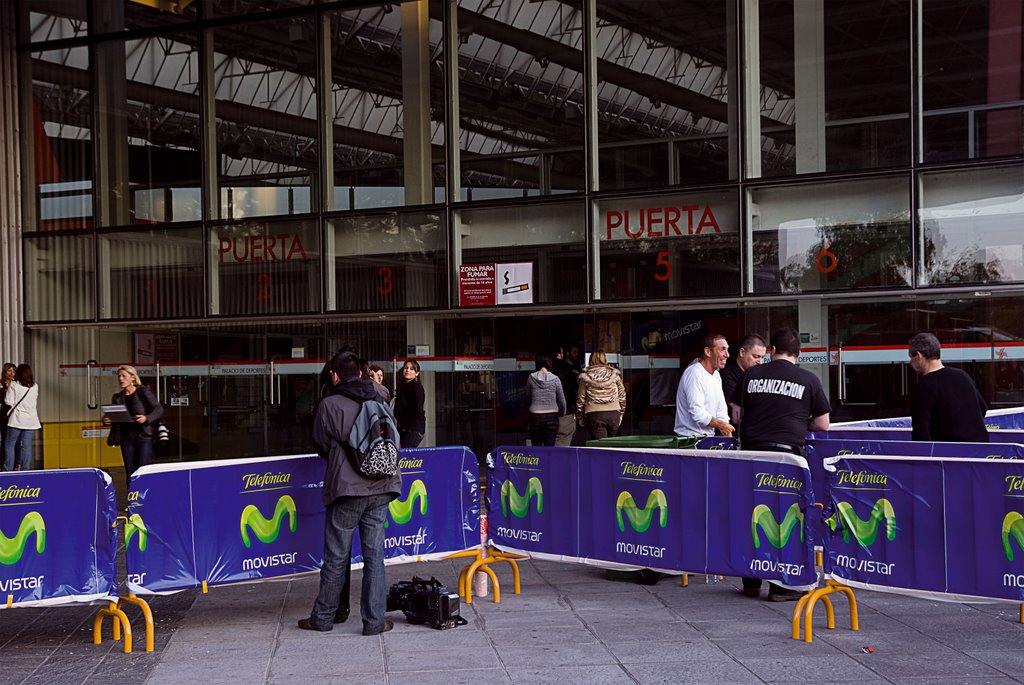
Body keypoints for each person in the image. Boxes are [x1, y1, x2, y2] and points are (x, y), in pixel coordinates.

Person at [298, 350, 402, 636]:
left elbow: (321, 444)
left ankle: (324, 618)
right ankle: (374, 621)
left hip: (346, 489)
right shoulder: (380, 395)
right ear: (361, 372)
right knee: (374, 557)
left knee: (336, 557)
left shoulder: (329, 404)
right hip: (382, 485)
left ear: (334, 375)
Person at [730, 327, 830, 601]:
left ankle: (750, 582)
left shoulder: (750, 374)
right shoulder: (809, 380)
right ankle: (782, 586)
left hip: (752, 457)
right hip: (788, 459)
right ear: (799, 354)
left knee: (752, 515)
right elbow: (822, 424)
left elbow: (736, 416)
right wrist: (797, 423)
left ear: (772, 351)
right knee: (787, 519)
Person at [908, 332, 988, 442]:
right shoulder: (963, 375)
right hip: (981, 450)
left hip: (948, 452)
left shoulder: (923, 388)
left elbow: (920, 432)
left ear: (919, 355)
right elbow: (982, 408)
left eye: (911, 357)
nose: (911, 362)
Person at [102, 365, 164, 486]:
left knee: (142, 470)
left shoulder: (143, 392)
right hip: (126, 438)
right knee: (130, 472)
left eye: (124, 376)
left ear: (132, 378)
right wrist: (106, 420)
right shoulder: (117, 397)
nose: (121, 379)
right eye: (119, 376)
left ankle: (144, 501)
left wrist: (146, 418)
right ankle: (132, 501)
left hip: (144, 436)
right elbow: (114, 415)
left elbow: (158, 409)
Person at [673, 334, 734, 438]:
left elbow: (721, 410)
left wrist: (728, 436)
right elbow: (697, 413)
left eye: (727, 350)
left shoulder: (716, 375)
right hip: (689, 441)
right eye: (722, 349)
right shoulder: (694, 373)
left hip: (707, 438)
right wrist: (721, 425)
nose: (727, 355)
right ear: (708, 352)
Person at [576, 350, 626, 440]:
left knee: (600, 446)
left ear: (591, 360)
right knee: (612, 446)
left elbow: (581, 398)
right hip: (614, 413)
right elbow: (622, 395)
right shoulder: (614, 375)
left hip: (594, 414)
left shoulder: (585, 376)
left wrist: (580, 417)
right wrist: (621, 413)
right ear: (605, 359)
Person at [3, 364, 41, 471]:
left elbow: (8, 401)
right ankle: (25, 470)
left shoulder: (14, 385)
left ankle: (8, 469)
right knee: (26, 446)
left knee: (10, 444)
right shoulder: (35, 386)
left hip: (16, 420)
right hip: (30, 421)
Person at [526, 353, 565, 447]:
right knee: (550, 447)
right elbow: (561, 400)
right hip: (552, 416)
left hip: (535, 415)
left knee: (536, 447)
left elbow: (527, 395)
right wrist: (562, 412)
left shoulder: (531, 378)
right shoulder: (556, 379)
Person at [721, 334, 768, 404]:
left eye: (762, 357)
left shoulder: (759, 374)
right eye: (756, 356)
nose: (760, 362)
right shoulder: (726, 374)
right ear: (742, 352)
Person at [393, 359, 425, 448]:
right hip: (404, 430)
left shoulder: (416, 387)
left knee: (406, 457)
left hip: (412, 430)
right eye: (406, 368)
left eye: (411, 369)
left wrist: (406, 427)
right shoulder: (404, 387)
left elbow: (418, 410)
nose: (408, 370)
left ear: (417, 373)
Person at [551, 346, 578, 446]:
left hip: (547, 413)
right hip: (565, 413)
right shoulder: (567, 369)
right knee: (563, 444)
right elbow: (574, 391)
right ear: (558, 354)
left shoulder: (545, 371)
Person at [0, 362, 16, 456]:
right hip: (3, 416)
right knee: (5, 439)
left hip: (15, 415)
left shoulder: (18, 385)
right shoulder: (1, 384)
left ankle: (16, 464)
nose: (11, 373)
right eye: (9, 371)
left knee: (15, 441)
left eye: (14, 371)